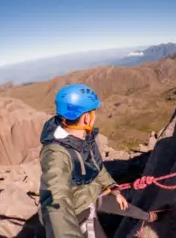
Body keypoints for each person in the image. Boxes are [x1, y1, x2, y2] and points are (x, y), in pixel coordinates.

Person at [38, 84, 157, 238]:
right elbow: (55, 199)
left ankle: (148, 217)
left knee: (124, 205)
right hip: (79, 211)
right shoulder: (57, 153)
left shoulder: (82, 139)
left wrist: (114, 189)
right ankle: (148, 217)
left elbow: (96, 167)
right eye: (93, 112)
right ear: (87, 117)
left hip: (92, 194)